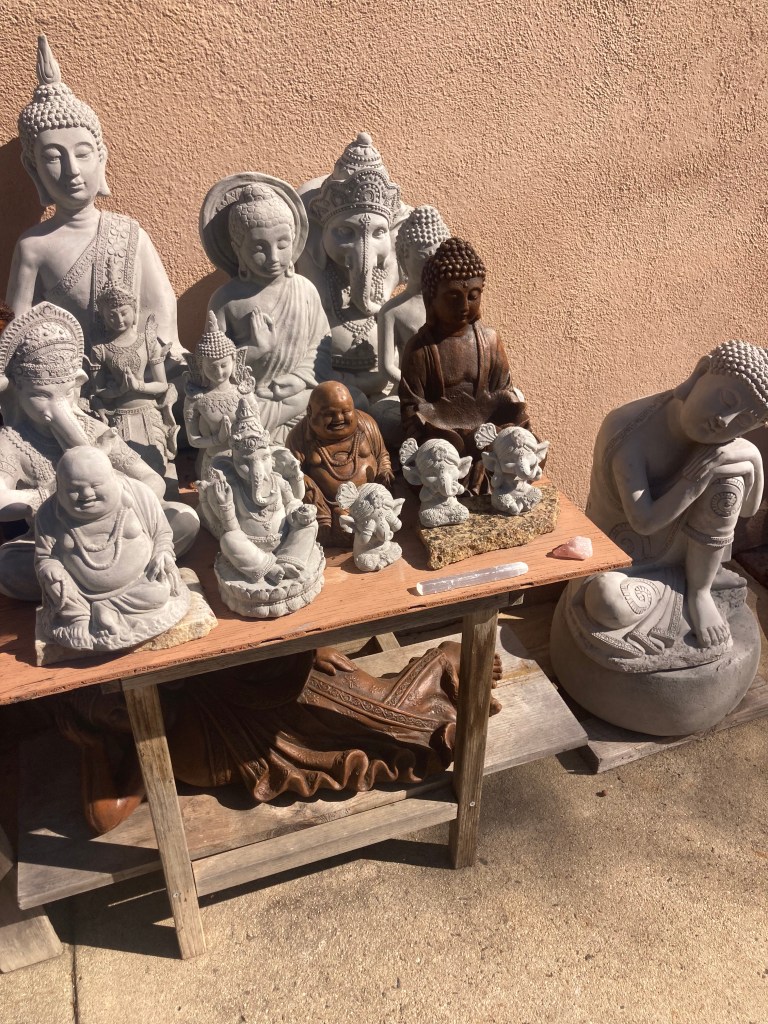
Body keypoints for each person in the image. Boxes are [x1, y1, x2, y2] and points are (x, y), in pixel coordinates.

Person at [56, 641, 502, 835]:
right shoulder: (151, 747)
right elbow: (104, 818)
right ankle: (443, 688)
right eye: (115, 716)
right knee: (371, 743)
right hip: (285, 755)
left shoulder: (190, 686)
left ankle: (444, 667)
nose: (129, 709)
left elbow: (240, 648)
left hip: (285, 696)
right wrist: (89, 750)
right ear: (110, 731)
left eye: (124, 697)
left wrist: (303, 649)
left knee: (372, 701)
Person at [0, 302, 198, 600]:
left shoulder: (92, 429)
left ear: (79, 383)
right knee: (7, 567)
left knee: (184, 518)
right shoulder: (13, 441)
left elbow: (152, 480)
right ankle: (112, 581)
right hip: (60, 543)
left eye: (67, 392)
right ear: (15, 390)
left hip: (121, 532)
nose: (57, 406)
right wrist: (52, 496)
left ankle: (101, 582)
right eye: (41, 396)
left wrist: (110, 479)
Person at [582, 340, 767, 650]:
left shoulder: (722, 444)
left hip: (692, 551)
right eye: (727, 399)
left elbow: (748, 509)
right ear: (701, 372)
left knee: (729, 479)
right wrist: (696, 478)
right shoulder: (628, 430)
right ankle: (683, 584)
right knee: (607, 601)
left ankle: (699, 590)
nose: (724, 421)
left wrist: (753, 459)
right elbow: (644, 522)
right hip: (627, 555)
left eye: (744, 421)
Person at [7, 36, 183, 362]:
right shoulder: (33, 246)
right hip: (63, 377)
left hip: (131, 373)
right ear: (33, 168)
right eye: (53, 157)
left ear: (101, 159)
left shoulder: (130, 235)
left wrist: (155, 359)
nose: (72, 170)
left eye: (83, 153)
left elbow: (161, 313)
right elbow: (14, 331)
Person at [203, 177, 331, 443]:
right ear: (238, 249)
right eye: (259, 248)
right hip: (249, 399)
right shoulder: (225, 300)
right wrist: (255, 350)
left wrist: (300, 378)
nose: (274, 257)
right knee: (224, 416)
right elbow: (210, 368)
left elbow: (322, 347)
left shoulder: (305, 290)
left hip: (297, 394)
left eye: (282, 245)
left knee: (341, 397)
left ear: (294, 241)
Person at [399, 237, 529, 493]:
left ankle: (491, 472)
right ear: (431, 298)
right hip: (443, 438)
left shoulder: (490, 340)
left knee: (520, 440)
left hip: (488, 431)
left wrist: (497, 436)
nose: (464, 306)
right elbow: (411, 409)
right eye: (453, 296)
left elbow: (504, 395)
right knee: (436, 460)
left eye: (473, 296)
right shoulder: (419, 349)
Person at [35, 447, 187, 652]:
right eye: (74, 489)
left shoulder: (138, 494)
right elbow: (44, 556)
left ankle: (104, 609)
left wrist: (163, 553)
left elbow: (162, 533)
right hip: (81, 594)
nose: (86, 494)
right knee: (55, 583)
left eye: (95, 485)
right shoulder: (49, 513)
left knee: (159, 592)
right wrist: (50, 567)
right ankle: (80, 617)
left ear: (112, 477)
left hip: (141, 583)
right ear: (60, 487)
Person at [89, 274, 178, 475]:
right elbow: (98, 391)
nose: (119, 320)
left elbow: (162, 385)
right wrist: (119, 390)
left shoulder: (148, 342)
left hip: (148, 411)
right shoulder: (100, 349)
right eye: (112, 315)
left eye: (124, 313)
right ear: (103, 317)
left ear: (134, 310)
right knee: (127, 470)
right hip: (119, 414)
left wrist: (140, 386)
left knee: (156, 465)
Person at [286, 381, 393, 546]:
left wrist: (384, 471)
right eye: (329, 414)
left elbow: (382, 455)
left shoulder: (366, 423)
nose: (339, 418)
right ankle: (328, 527)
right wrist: (302, 480)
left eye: (345, 411)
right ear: (310, 412)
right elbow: (291, 473)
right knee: (304, 485)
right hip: (329, 505)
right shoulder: (298, 437)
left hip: (371, 499)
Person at [377, 205, 450, 385]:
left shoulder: (452, 305)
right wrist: (417, 387)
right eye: (422, 258)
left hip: (450, 391)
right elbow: (387, 368)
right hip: (409, 392)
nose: (429, 266)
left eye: (436, 259)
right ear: (403, 258)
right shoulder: (392, 311)